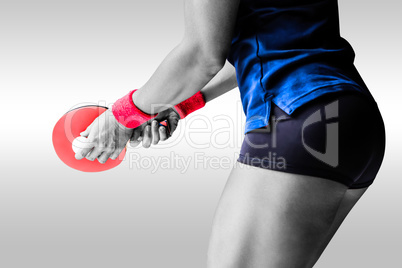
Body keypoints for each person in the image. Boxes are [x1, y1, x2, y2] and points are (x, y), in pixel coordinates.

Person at [75, 0, 386, 267]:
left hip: (296, 120)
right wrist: (181, 104)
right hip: (352, 118)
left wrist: (121, 117)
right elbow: (268, 40)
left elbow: (202, 55)